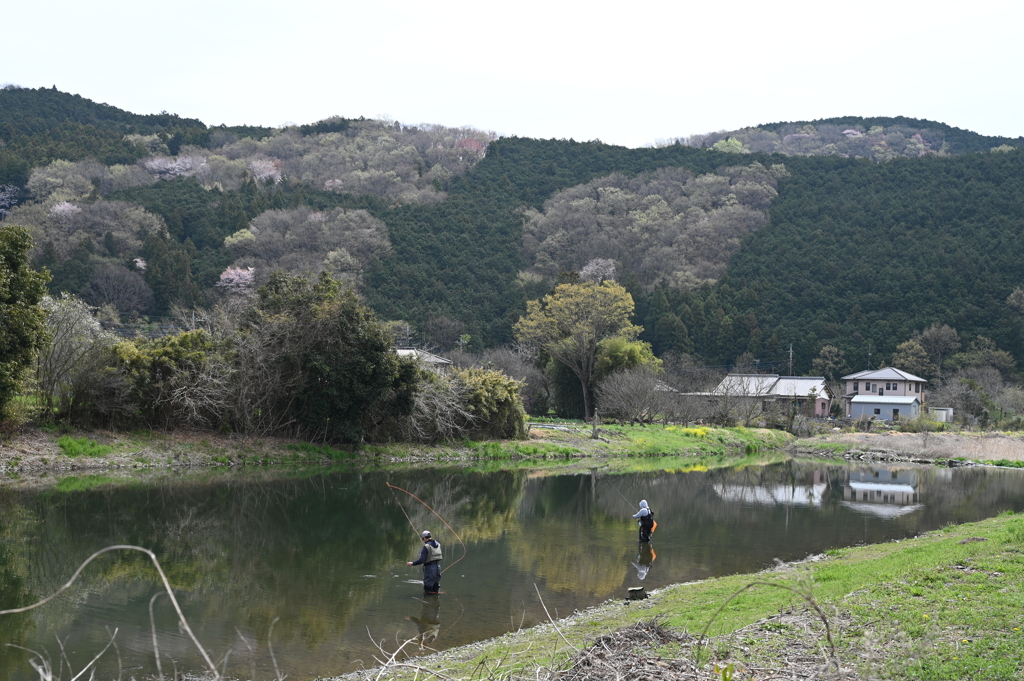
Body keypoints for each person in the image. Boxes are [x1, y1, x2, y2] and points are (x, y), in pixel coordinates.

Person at [407, 530, 442, 595]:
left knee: (428, 586)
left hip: (430, 568)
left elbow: (421, 560)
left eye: (423, 539)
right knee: (436, 584)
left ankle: (428, 601)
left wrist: (412, 563)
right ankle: (435, 600)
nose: (423, 540)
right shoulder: (438, 544)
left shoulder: (426, 547)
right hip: (438, 567)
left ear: (425, 538)